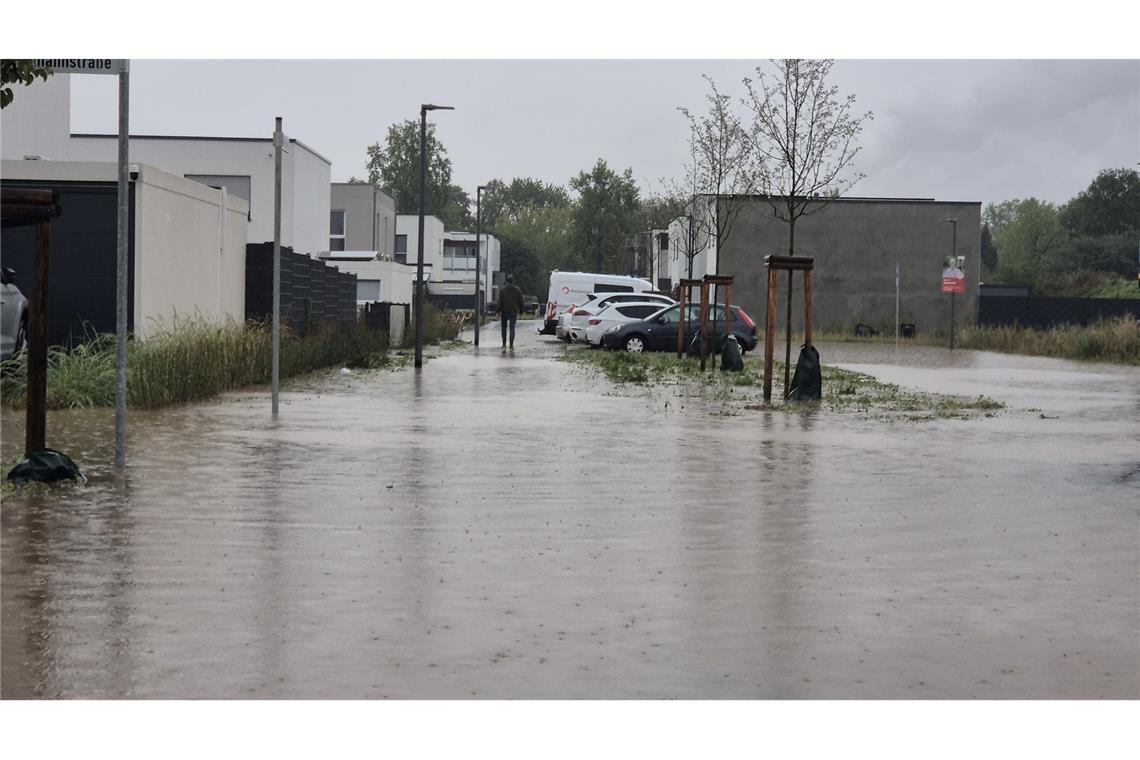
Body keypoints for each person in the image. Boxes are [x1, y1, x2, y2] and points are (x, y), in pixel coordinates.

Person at [497, 274, 524, 350]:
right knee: (512, 328)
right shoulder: (517, 290)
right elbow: (521, 301)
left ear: (506, 280)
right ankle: (511, 345)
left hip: (504, 311)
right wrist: (521, 311)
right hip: (513, 311)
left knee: (504, 328)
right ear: (513, 281)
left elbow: (500, 301)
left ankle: (504, 344)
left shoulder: (502, 290)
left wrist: (498, 311)